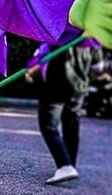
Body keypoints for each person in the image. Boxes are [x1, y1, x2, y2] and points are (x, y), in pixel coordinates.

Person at [27, 40, 97, 185]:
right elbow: (97, 64)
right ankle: (70, 164)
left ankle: (65, 166)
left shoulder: (60, 29)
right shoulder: (88, 32)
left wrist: (32, 71)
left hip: (57, 84)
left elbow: (47, 56)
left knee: (48, 125)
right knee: (71, 122)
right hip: (78, 85)